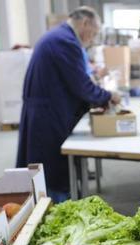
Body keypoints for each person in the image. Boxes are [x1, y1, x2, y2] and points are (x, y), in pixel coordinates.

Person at [16, 7, 120, 202]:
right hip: (49, 116)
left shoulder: (60, 37)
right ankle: (57, 208)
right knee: (53, 169)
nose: (92, 38)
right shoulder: (65, 41)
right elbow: (81, 85)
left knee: (50, 166)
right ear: (85, 23)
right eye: (94, 33)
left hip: (48, 110)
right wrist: (108, 96)